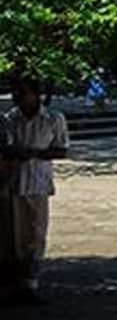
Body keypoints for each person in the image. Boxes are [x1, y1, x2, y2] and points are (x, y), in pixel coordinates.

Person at [2, 78, 69, 305]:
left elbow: (61, 150)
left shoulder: (53, 118)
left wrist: (34, 154)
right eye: (16, 92)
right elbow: (5, 146)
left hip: (38, 183)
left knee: (34, 233)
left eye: (23, 92)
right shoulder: (9, 118)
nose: (18, 96)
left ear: (36, 94)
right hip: (12, 183)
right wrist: (15, 153)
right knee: (11, 235)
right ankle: (14, 283)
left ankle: (30, 283)